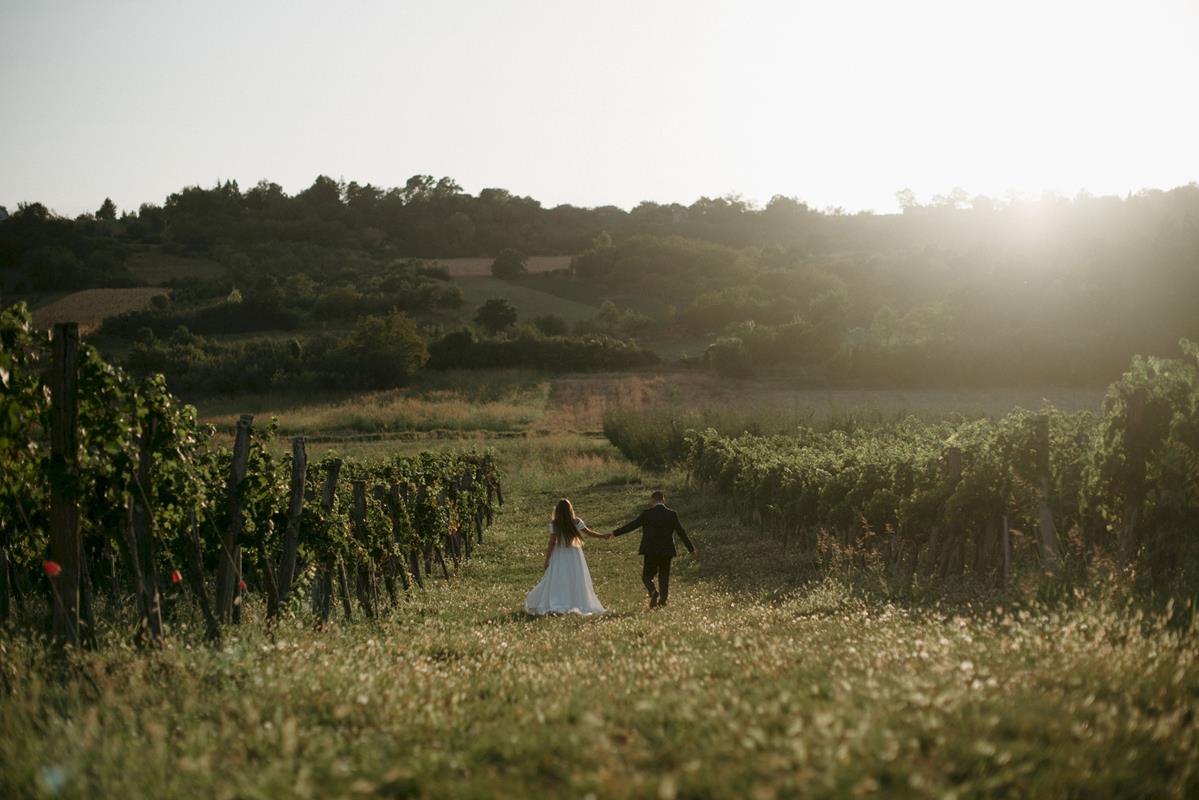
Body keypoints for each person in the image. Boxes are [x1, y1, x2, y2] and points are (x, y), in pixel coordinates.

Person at [524, 498, 611, 616]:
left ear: (558, 510)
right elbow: (589, 533)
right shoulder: (576, 522)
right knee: (575, 578)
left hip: (560, 554)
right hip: (575, 555)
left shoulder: (555, 524)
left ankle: (559, 600)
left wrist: (547, 559)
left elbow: (552, 543)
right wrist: (603, 536)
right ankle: (575, 601)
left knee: (559, 578)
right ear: (570, 509)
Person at [611, 490, 695, 608]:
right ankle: (662, 601)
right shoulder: (672, 514)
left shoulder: (647, 514)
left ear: (653, 500)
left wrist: (614, 533)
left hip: (650, 550)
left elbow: (632, 525)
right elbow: (681, 532)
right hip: (667, 550)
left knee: (646, 576)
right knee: (664, 576)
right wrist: (691, 549)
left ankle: (652, 591)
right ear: (663, 499)